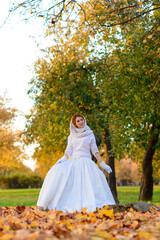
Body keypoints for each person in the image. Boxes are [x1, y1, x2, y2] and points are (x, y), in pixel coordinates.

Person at [37, 113, 115, 213]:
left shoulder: (90, 134)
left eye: (81, 119)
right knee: (55, 173)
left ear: (84, 120)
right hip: (73, 162)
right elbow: (68, 150)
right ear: (75, 124)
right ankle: (49, 203)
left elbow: (95, 150)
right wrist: (63, 159)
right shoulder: (71, 136)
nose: (80, 122)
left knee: (92, 184)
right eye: (78, 121)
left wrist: (102, 163)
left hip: (87, 163)